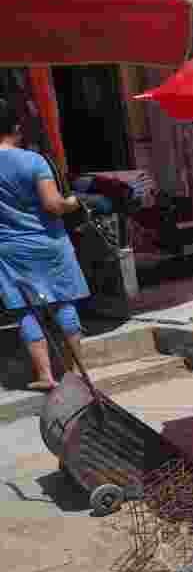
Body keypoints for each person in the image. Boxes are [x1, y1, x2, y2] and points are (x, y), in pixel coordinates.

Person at [0, 98, 89, 391]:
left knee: (25, 309)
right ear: (16, 128)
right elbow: (53, 205)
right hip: (49, 243)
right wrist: (73, 202)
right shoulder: (33, 161)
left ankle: (44, 376)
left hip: (9, 249)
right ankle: (74, 374)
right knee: (63, 302)